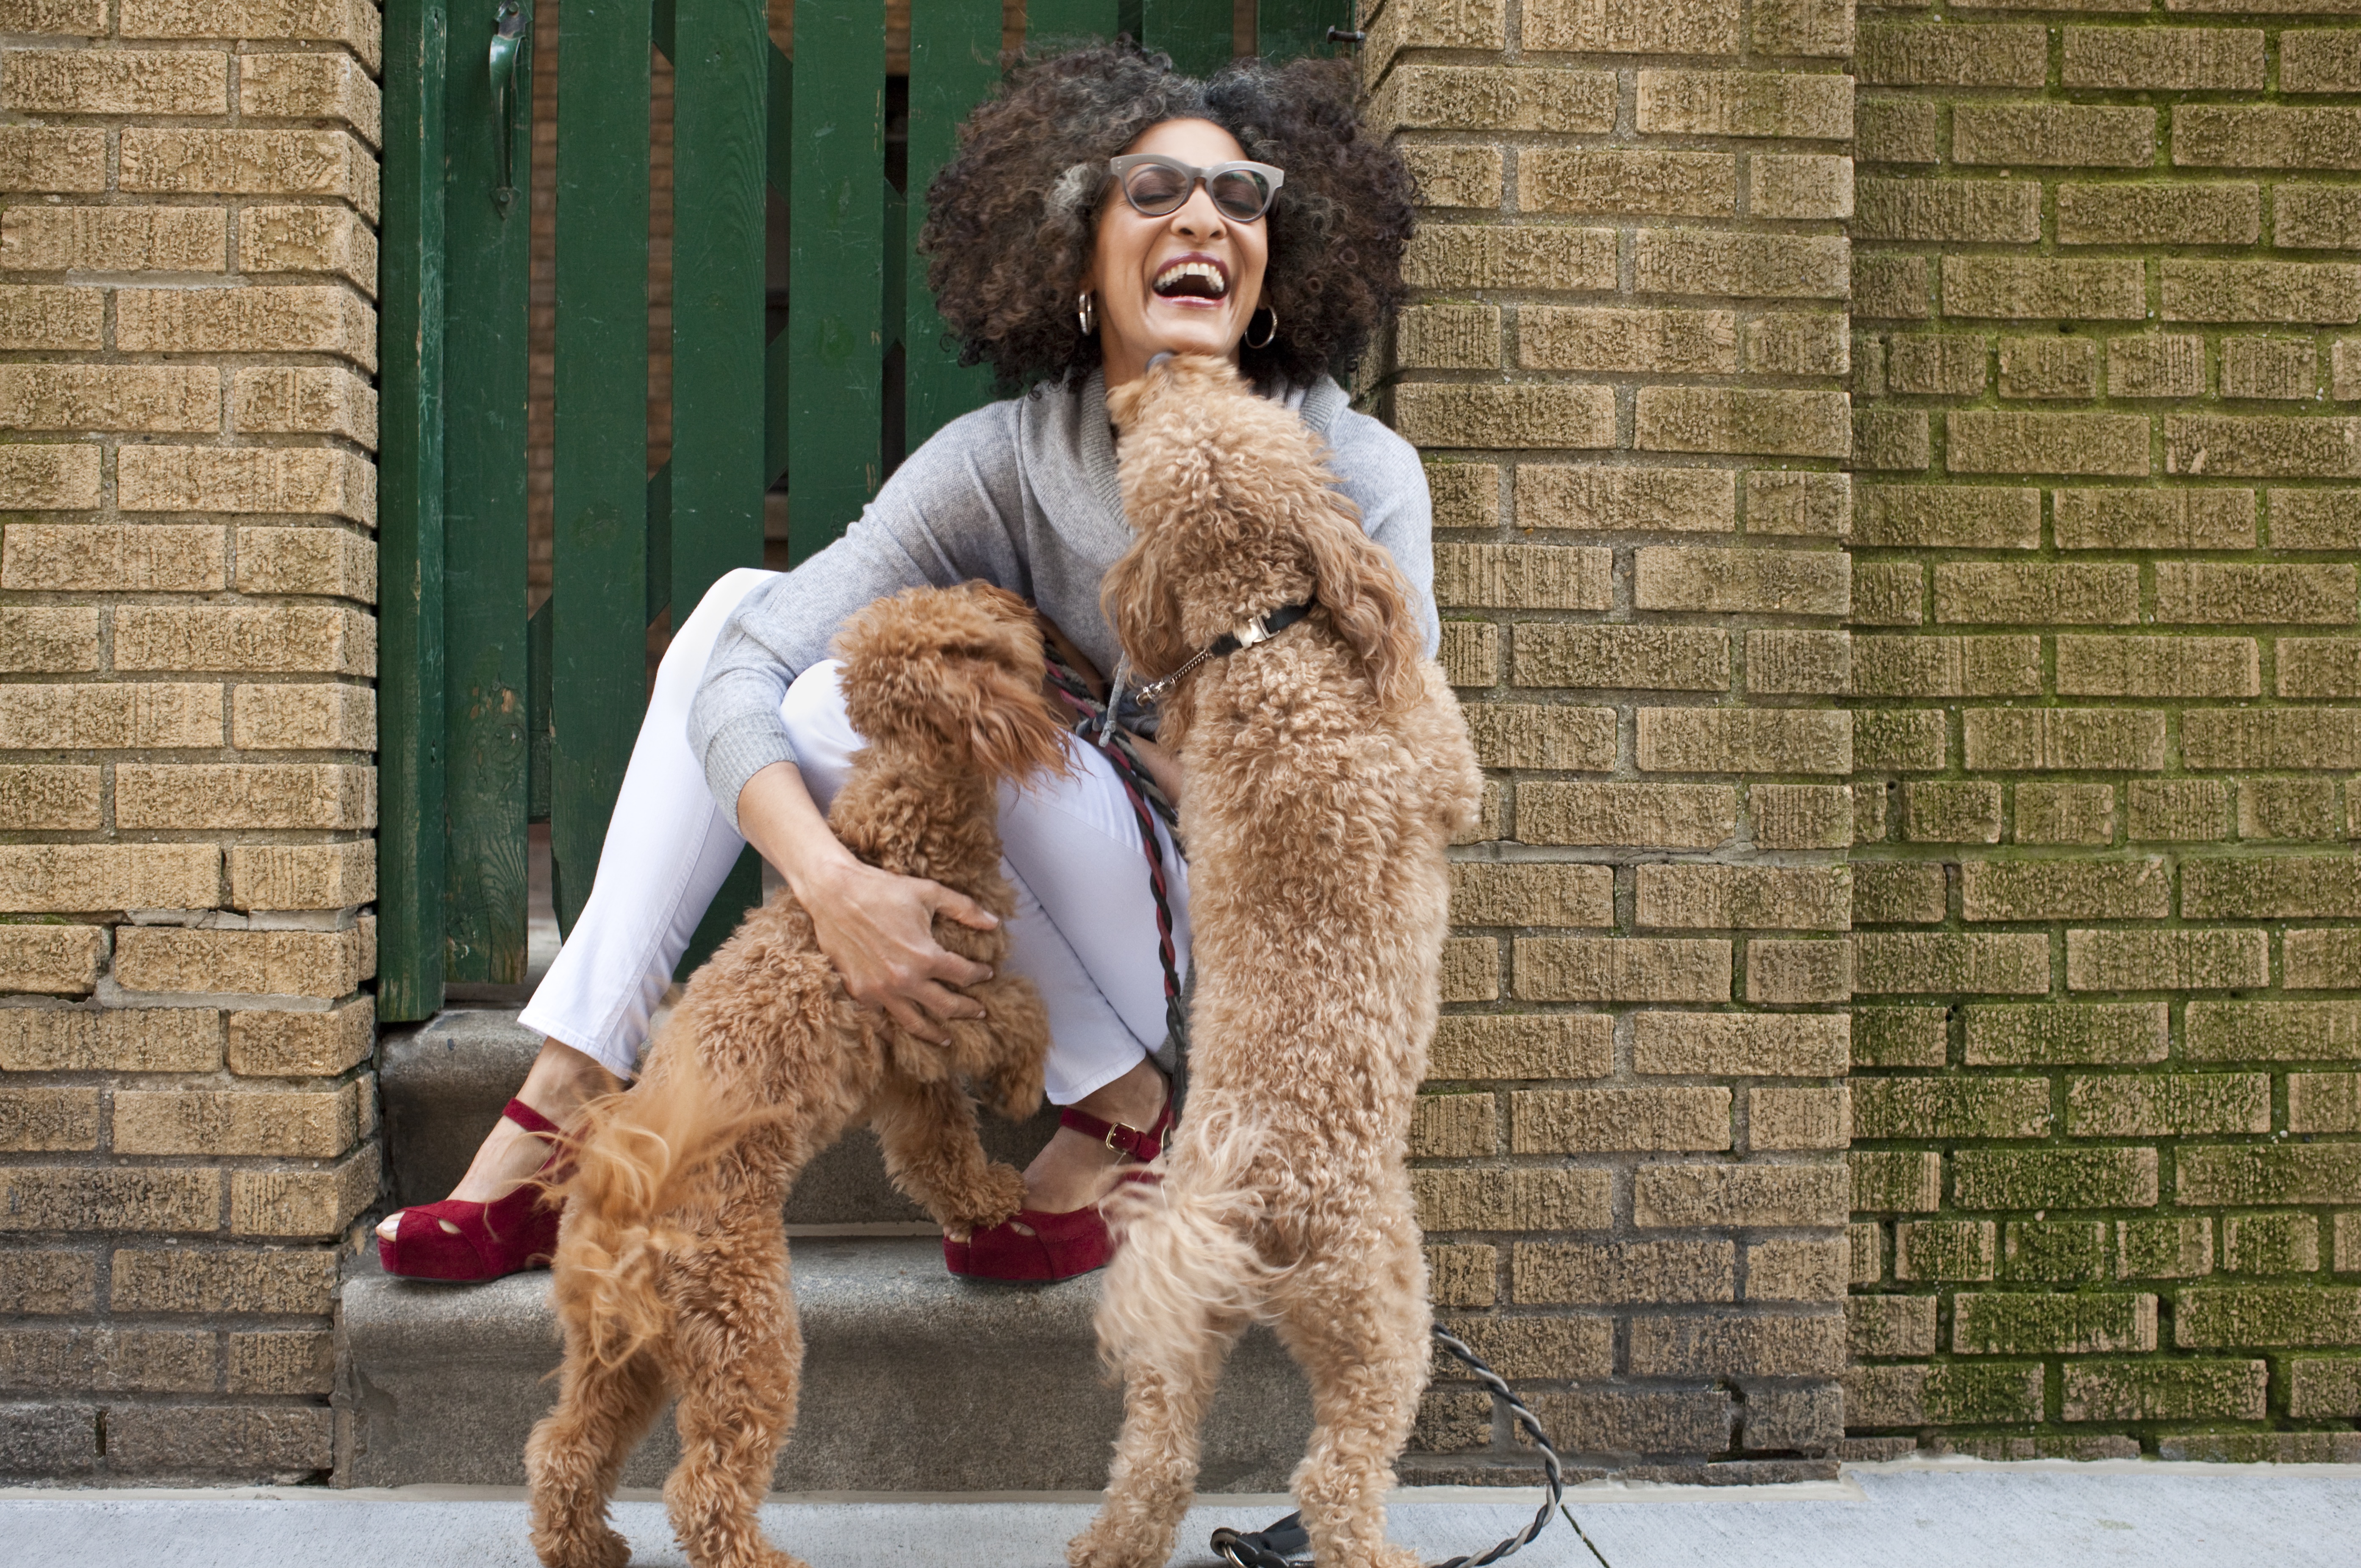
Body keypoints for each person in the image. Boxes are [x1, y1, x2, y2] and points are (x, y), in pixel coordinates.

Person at [377, 42, 1436, 1283]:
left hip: (1227, 930)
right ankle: (569, 1083)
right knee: (743, 610)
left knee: (882, 702)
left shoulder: (1353, 470)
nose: (1202, 216)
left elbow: (1402, 787)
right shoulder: (1007, 458)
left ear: (1275, 261)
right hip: (1065, 892)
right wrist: (833, 885)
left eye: (1240, 196)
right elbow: (739, 666)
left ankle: (1129, 1103)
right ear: (1077, 249)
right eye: (1152, 192)